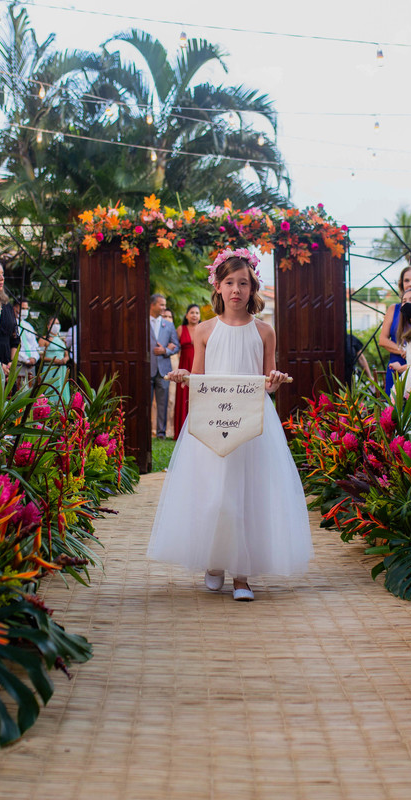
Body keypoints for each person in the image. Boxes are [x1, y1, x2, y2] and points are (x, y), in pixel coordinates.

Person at [148, 249, 313, 601]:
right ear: (218, 287)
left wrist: (275, 380)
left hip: (253, 418)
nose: (236, 289)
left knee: (248, 493)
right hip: (214, 416)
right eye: (229, 283)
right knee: (215, 492)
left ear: (253, 287)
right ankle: (214, 561)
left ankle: (242, 574)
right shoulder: (205, 329)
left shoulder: (265, 331)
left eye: (243, 283)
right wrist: (183, 376)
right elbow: (201, 376)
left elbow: (266, 378)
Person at [378, 264, 411, 394]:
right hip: (399, 365)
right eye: (406, 280)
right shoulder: (394, 309)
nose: (410, 284)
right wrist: (405, 351)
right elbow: (383, 340)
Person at [149, 293, 180, 438]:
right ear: (152, 305)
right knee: (145, 403)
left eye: (164, 305)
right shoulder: (142, 322)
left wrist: (165, 350)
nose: (164, 308)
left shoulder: (169, 325)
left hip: (163, 369)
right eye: (161, 304)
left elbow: (176, 345)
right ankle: (146, 431)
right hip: (147, 369)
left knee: (163, 403)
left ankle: (161, 433)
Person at [173, 303, 200, 433]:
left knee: (198, 395)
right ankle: (180, 430)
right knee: (183, 395)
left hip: (199, 365)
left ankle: (197, 428)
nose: (194, 315)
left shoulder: (203, 328)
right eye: (192, 312)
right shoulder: (180, 329)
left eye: (197, 313)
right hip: (184, 365)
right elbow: (175, 345)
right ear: (187, 315)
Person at [38, 315, 71, 403]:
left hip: (62, 369)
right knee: (50, 388)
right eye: (54, 324)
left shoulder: (62, 340)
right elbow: (41, 357)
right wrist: (55, 361)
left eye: (58, 323)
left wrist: (65, 359)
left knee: (61, 389)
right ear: (49, 326)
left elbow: (67, 354)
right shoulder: (44, 339)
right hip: (50, 368)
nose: (57, 325)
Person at [15, 300, 40, 384]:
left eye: (27, 308)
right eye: (23, 308)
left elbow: (35, 345)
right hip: (19, 364)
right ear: (15, 308)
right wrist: (26, 359)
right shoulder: (12, 325)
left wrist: (34, 358)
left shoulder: (28, 326)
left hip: (31, 365)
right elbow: (14, 346)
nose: (25, 311)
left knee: (31, 389)